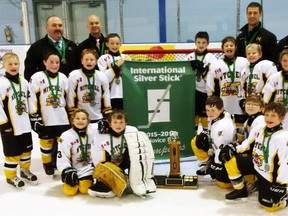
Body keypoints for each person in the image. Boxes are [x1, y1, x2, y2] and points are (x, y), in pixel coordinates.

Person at [220, 102, 288, 212]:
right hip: (256, 165)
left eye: (273, 116)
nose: (269, 118)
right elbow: (247, 143)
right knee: (229, 158)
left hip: (270, 175)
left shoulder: (283, 137)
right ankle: (241, 190)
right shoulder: (260, 128)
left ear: (282, 118)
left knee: (268, 206)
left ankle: (286, 198)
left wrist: (281, 185)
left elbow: (285, 164)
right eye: (266, 115)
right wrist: (233, 148)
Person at [88, 109, 156, 198]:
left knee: (140, 153)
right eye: (115, 122)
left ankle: (140, 178)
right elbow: (99, 163)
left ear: (126, 123)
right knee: (108, 191)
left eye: (121, 122)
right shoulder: (100, 136)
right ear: (109, 123)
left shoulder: (132, 131)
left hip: (123, 163)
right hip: (108, 165)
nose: (118, 125)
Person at [28, 51, 71, 176]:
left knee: (62, 143)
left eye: (57, 62)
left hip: (62, 118)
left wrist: (71, 114)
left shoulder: (63, 77)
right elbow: (32, 98)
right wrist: (35, 117)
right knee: (46, 143)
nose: (54, 65)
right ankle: (47, 164)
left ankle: (61, 163)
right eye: (51, 62)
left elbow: (68, 98)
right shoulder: (37, 77)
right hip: (46, 118)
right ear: (44, 62)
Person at [0, 52, 37, 187]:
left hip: (24, 123)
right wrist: (3, 124)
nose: (13, 66)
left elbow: (30, 99)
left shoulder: (24, 82)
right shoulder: (2, 83)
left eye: (16, 63)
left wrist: (34, 115)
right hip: (10, 126)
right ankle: (11, 176)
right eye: (9, 64)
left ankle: (24, 170)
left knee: (27, 149)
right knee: (12, 152)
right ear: (3, 65)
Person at [218, 95, 265, 201]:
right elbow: (240, 140)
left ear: (261, 108)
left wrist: (234, 149)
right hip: (254, 153)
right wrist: (232, 146)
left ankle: (241, 189)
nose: (250, 106)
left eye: (254, 104)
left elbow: (252, 142)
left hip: (261, 157)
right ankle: (252, 182)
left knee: (230, 159)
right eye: (248, 104)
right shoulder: (248, 121)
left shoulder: (260, 120)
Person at [206, 36, 249, 142]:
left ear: (235, 47)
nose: (229, 47)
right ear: (222, 48)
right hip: (224, 103)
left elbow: (249, 81)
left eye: (231, 45)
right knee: (223, 130)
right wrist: (213, 101)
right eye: (226, 45)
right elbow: (211, 85)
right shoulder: (216, 65)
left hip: (240, 103)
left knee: (240, 130)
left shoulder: (244, 62)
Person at [191, 96, 236, 189]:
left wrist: (216, 165)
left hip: (225, 154)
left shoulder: (224, 126)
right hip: (215, 148)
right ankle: (207, 165)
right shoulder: (217, 116)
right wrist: (206, 134)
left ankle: (231, 173)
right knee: (196, 141)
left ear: (221, 109)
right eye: (207, 110)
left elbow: (223, 149)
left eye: (212, 110)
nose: (209, 113)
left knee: (224, 185)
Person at [24, 15, 80, 80]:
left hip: (69, 87)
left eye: (60, 25)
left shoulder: (72, 45)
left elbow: (78, 68)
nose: (58, 28)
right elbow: (29, 72)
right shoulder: (36, 47)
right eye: (54, 25)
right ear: (46, 28)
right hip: (47, 87)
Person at [67, 48, 112, 124]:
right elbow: (71, 96)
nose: (89, 62)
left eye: (92, 59)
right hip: (81, 118)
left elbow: (106, 96)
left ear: (96, 62)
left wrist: (107, 113)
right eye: (86, 59)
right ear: (81, 61)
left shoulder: (102, 76)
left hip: (98, 117)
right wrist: (72, 113)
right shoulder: (74, 75)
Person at [57, 109, 94, 196]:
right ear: (72, 120)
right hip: (74, 169)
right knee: (69, 191)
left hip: (89, 169)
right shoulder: (66, 136)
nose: (80, 121)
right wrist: (67, 170)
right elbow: (62, 156)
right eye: (77, 118)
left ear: (88, 121)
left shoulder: (93, 131)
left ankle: (88, 179)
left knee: (85, 189)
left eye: (83, 119)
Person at [186, 31, 217, 133]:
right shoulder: (189, 57)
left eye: (203, 42)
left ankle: (206, 137)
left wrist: (203, 70)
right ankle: (193, 137)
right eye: (199, 42)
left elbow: (213, 75)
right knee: (194, 115)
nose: (201, 45)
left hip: (206, 92)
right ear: (195, 42)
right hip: (193, 92)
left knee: (205, 115)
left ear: (207, 43)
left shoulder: (211, 58)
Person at [97, 33, 131, 110]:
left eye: (117, 43)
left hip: (125, 95)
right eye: (112, 43)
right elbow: (104, 79)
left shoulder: (126, 57)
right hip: (110, 95)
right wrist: (116, 66)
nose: (114, 46)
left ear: (120, 44)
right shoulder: (103, 59)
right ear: (107, 44)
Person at [262, 49, 288, 130]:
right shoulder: (275, 77)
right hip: (278, 115)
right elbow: (267, 98)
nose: (287, 63)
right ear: (280, 61)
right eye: (284, 60)